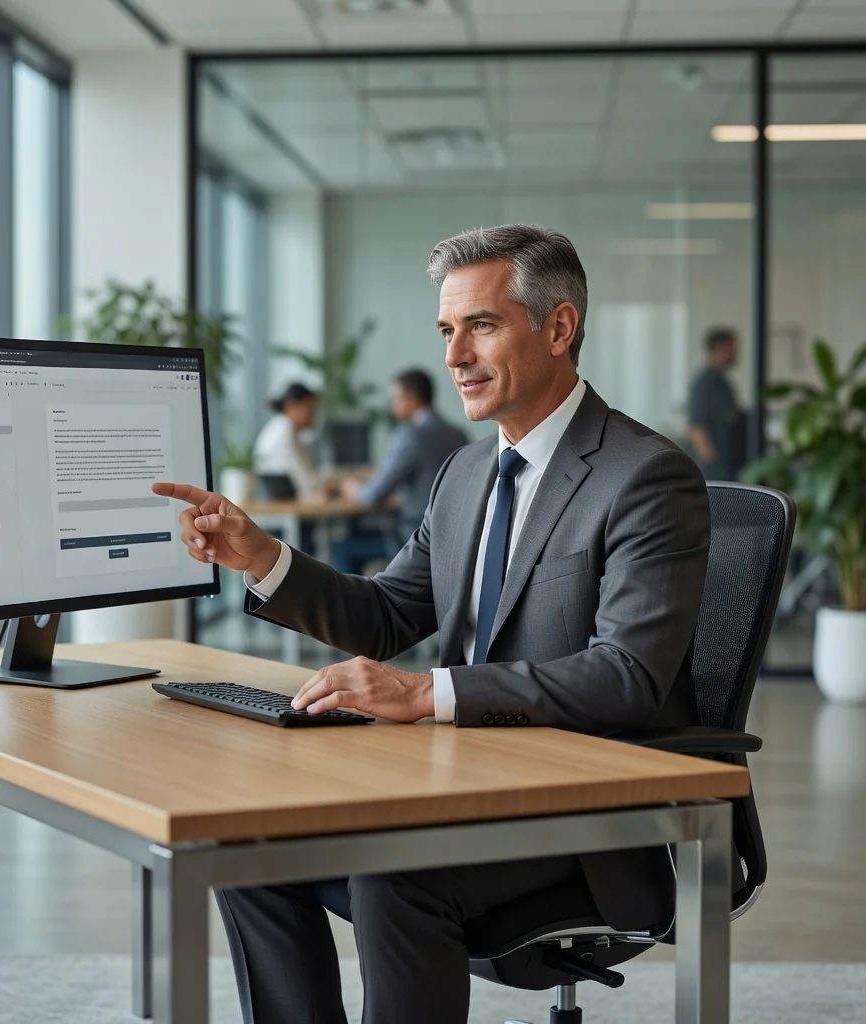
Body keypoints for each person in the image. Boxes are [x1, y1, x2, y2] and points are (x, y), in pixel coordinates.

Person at [153, 224, 710, 1024]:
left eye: (481, 326)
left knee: (395, 872)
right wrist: (262, 555)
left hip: (582, 817)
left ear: (560, 328)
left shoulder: (645, 478)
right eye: (448, 331)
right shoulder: (466, 472)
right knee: (247, 846)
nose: (454, 357)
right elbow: (384, 615)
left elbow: (626, 676)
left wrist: (426, 692)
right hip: (456, 786)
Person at [332, 368, 469, 574]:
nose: (393, 406)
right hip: (454, 536)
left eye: (395, 399)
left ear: (410, 399)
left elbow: (373, 495)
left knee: (342, 547)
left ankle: (352, 606)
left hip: (414, 536)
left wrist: (351, 488)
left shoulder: (412, 434)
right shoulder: (458, 434)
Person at [687, 326, 746, 480]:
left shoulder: (723, 382)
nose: (736, 354)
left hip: (730, 465)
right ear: (718, 349)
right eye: (732, 348)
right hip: (717, 469)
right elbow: (697, 429)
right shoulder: (705, 383)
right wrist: (713, 466)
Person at [253, 382, 321, 499]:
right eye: (310, 409)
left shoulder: (283, 428)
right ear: (291, 406)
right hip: (284, 510)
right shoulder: (284, 434)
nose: (313, 416)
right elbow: (307, 483)